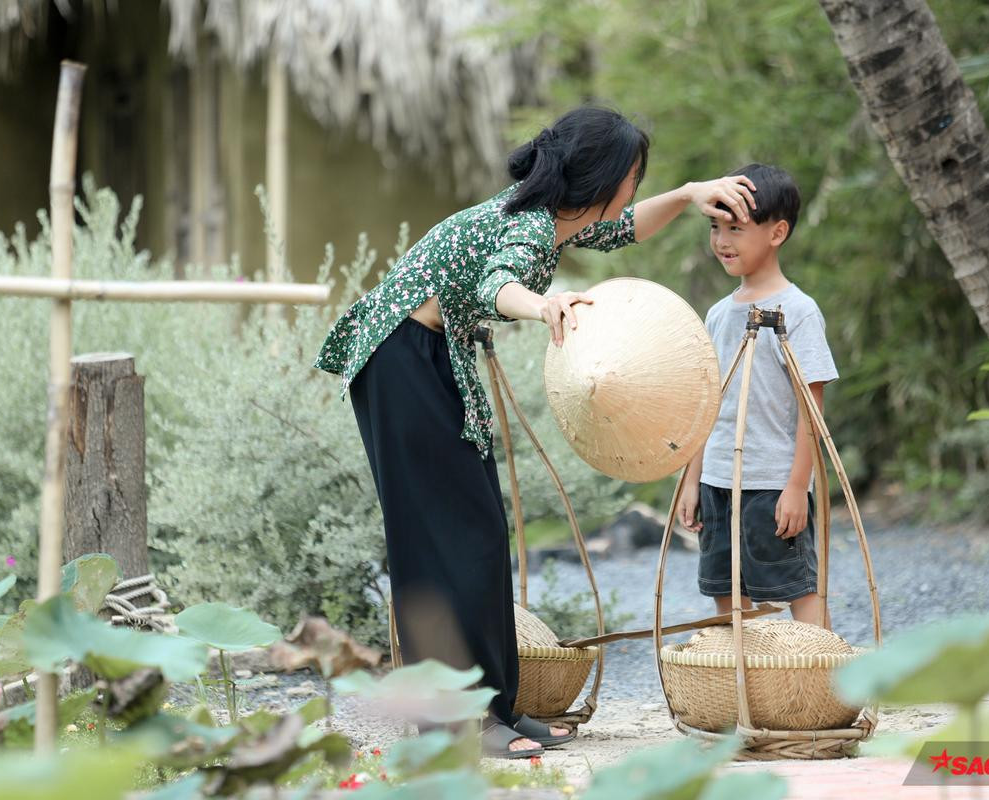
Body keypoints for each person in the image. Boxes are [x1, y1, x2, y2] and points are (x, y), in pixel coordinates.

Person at [315, 105, 756, 758]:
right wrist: (541, 303)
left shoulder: (561, 220)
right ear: (604, 177)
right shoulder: (529, 228)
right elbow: (500, 282)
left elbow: (625, 229)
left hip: (431, 354)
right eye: (634, 174)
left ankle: (497, 708)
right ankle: (455, 722)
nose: (634, 188)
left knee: (485, 533)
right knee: (445, 538)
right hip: (397, 356)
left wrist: (691, 196)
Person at [676, 163, 836, 628]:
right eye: (715, 227)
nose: (722, 241)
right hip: (718, 481)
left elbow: (813, 408)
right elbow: (706, 404)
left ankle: (830, 689)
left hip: (771, 481)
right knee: (726, 599)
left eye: (736, 229)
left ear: (777, 232)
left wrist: (795, 488)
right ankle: (747, 694)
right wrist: (691, 482)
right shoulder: (718, 315)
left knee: (798, 592)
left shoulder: (799, 312)